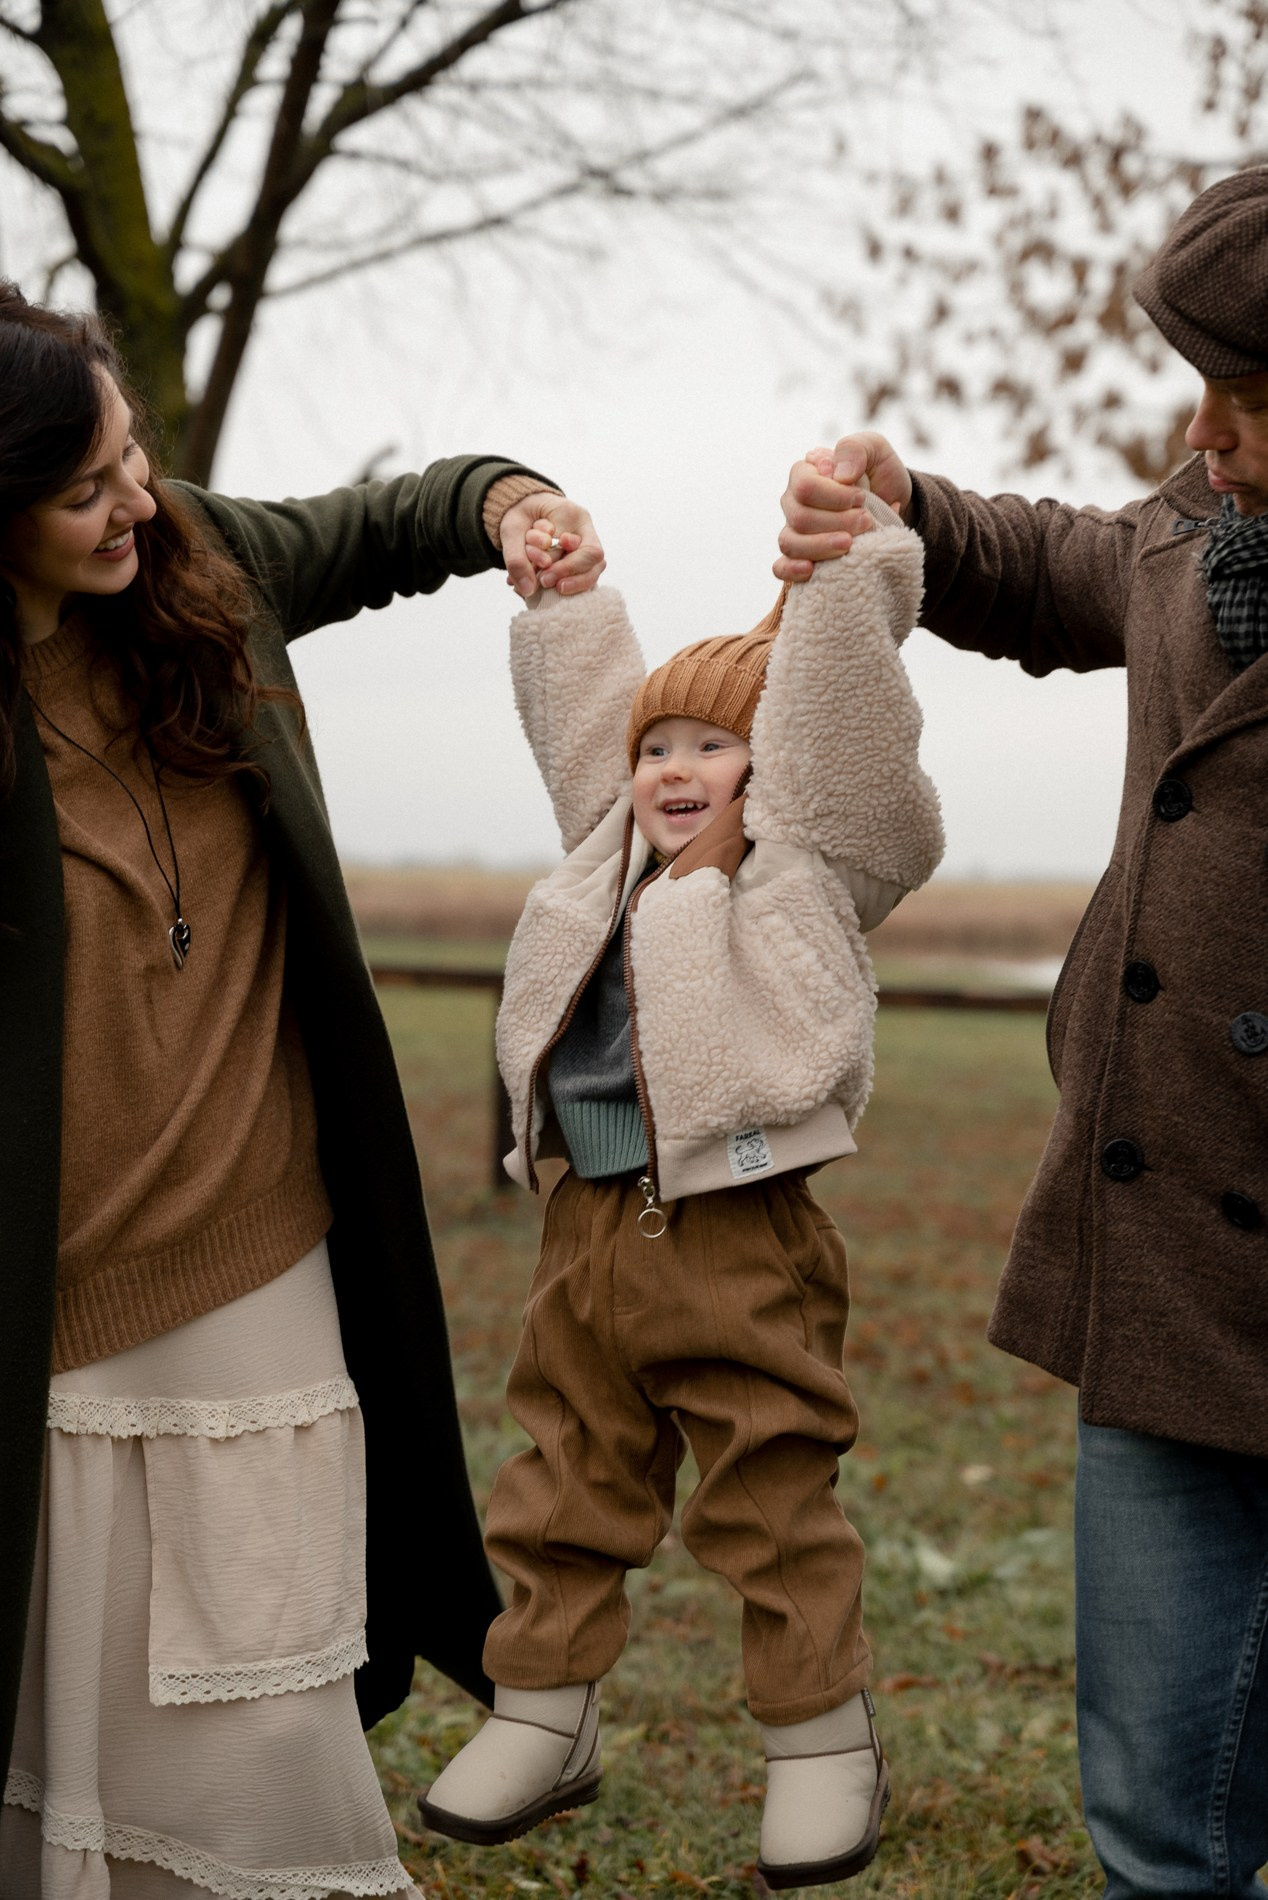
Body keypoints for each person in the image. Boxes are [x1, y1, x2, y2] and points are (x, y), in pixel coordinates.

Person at [0, 281, 604, 1899]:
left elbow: (396, 518)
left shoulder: (202, 562)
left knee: (266, 1725)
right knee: (67, 1726)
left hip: (263, 1263)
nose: (134, 501)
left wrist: (508, 503)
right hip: (48, 1314)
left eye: (131, 456)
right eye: (81, 492)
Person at [775, 166, 1268, 1900]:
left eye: (1252, 395)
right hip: (1166, 1276)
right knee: (1155, 1824)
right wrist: (907, 504)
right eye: (1202, 383)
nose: (1208, 433)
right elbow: (1081, 573)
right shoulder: (1219, 519)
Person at [417, 488, 944, 1890]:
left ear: (770, 766)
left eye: (713, 743)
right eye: (658, 745)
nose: (673, 765)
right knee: (563, 1481)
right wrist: (567, 597)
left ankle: (822, 1740)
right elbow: (584, 708)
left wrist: (843, 581)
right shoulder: (609, 856)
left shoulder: (805, 866)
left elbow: (847, 736)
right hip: (586, 1231)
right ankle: (544, 1708)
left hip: (740, 1229)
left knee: (769, 1497)